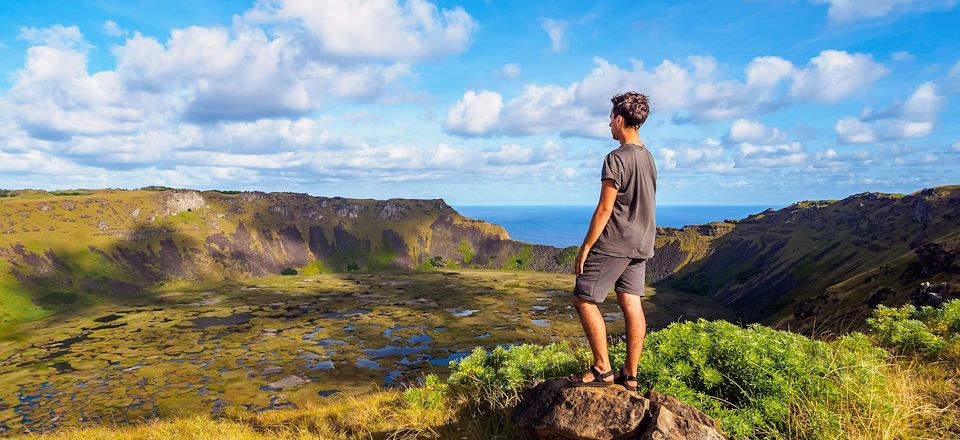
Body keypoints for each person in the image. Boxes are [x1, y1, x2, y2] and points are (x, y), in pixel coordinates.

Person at [565, 92, 656, 392]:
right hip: (641, 243)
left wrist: (587, 246)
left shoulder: (615, 158)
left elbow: (605, 208)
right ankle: (630, 375)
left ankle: (603, 369)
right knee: (630, 302)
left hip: (615, 243)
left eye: (610, 119)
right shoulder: (648, 157)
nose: (608, 124)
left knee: (582, 297)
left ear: (620, 119)